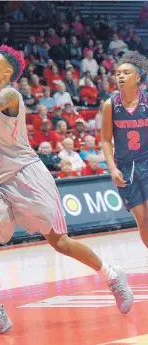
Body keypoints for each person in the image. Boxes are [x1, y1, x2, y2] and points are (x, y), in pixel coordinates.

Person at [0, 45, 134, 338]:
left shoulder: (11, 95)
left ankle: (110, 274)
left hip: (27, 176)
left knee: (60, 242)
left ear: (7, 72)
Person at [102, 51, 148, 249]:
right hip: (125, 167)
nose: (120, 76)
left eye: (126, 73)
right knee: (142, 220)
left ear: (137, 77)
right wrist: (112, 169)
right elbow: (105, 140)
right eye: (118, 73)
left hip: (146, 162)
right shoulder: (110, 105)